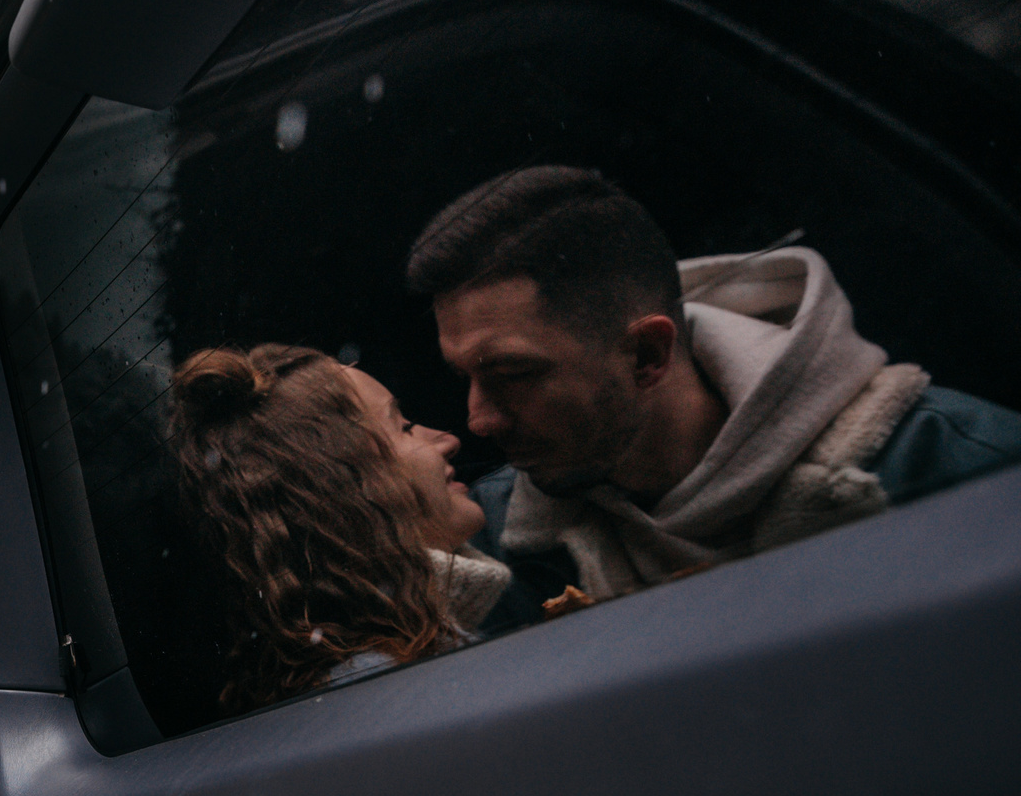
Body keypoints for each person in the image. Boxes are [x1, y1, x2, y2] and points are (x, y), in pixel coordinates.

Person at [409, 165, 1021, 621]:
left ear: (648, 355)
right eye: (463, 376)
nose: (477, 420)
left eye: (513, 374)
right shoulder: (493, 552)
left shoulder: (965, 474)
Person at [161, 344, 510, 711]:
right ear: (348, 489)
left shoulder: (390, 662)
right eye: (404, 427)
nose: (449, 439)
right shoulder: (390, 688)